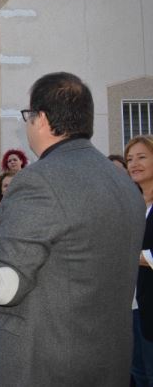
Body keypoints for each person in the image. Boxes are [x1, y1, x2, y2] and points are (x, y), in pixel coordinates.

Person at [0, 72, 145, 387]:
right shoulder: (123, 182)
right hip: (108, 362)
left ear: (40, 119)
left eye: (28, 116)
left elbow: (4, 286)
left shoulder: (38, 180)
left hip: (44, 365)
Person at [125, 136, 153, 386]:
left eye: (142, 157)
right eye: (130, 159)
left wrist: (126, 254)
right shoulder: (133, 205)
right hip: (131, 307)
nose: (134, 163)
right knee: (138, 375)